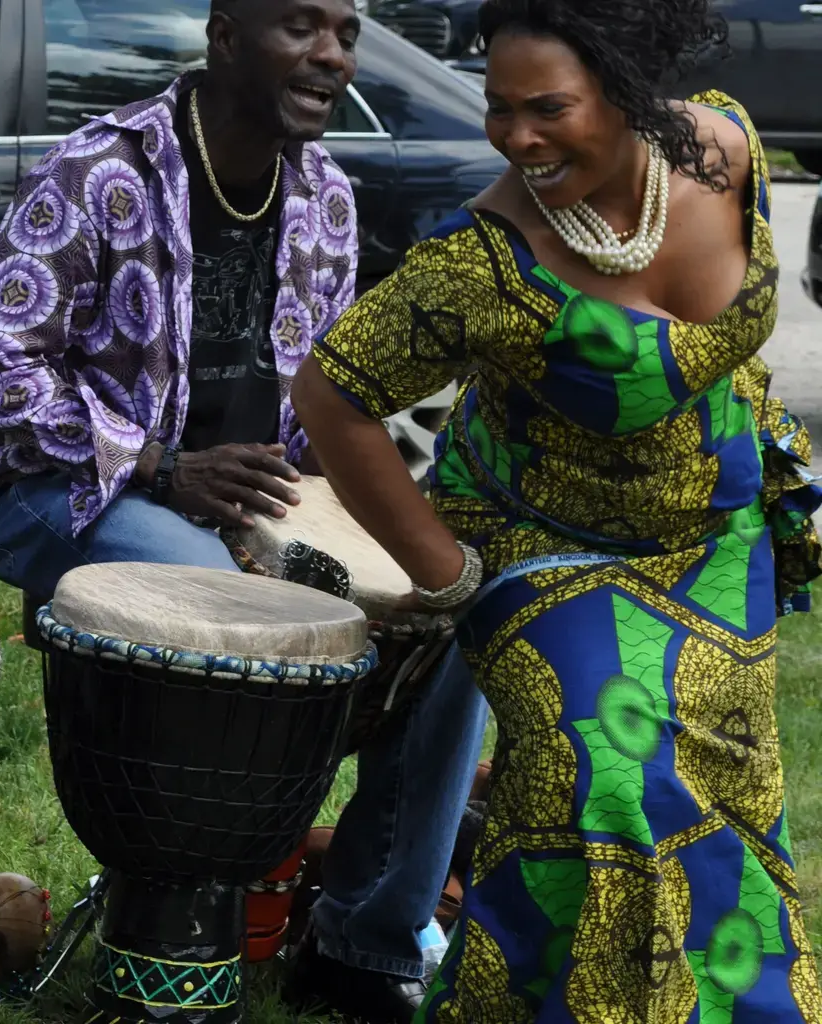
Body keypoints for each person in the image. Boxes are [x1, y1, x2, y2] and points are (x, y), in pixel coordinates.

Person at [0, 0, 488, 1018]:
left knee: (457, 614)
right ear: (226, 34)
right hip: (68, 500)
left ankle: (364, 944)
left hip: (250, 513)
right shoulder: (98, 170)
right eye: (301, 27)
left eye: (345, 33)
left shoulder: (326, 196)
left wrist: (376, 529)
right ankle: (172, 923)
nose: (330, 55)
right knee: (213, 581)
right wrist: (157, 465)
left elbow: (318, 421)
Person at [291, 0, 822, 1018]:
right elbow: (328, 396)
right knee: (610, 775)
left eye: (546, 108)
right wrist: (442, 570)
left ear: (626, 90)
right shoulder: (482, 261)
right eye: (497, 109)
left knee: (714, 796)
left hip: (714, 542)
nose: (515, 137)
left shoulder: (724, 144)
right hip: (543, 545)